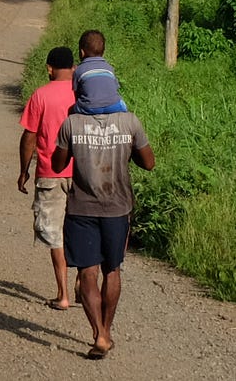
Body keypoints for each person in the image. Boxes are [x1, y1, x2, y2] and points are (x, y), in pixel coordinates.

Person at [52, 78, 155, 360]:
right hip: (117, 209)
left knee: (87, 273)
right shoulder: (130, 122)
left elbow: (57, 165)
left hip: (82, 210)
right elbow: (149, 163)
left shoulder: (71, 124)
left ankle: (99, 333)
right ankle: (106, 330)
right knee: (113, 270)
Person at [17, 46, 77, 310]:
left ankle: (63, 293)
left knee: (55, 234)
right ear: (73, 68)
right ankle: (83, 281)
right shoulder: (83, 92)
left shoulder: (40, 95)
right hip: (83, 172)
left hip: (51, 172)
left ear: (50, 68)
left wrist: (23, 170)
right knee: (81, 228)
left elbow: (29, 136)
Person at [72, 29, 127, 114]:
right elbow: (115, 88)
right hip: (113, 106)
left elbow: (76, 92)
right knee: (122, 104)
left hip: (90, 108)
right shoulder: (109, 68)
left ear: (82, 52)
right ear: (103, 52)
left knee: (73, 108)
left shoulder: (79, 70)